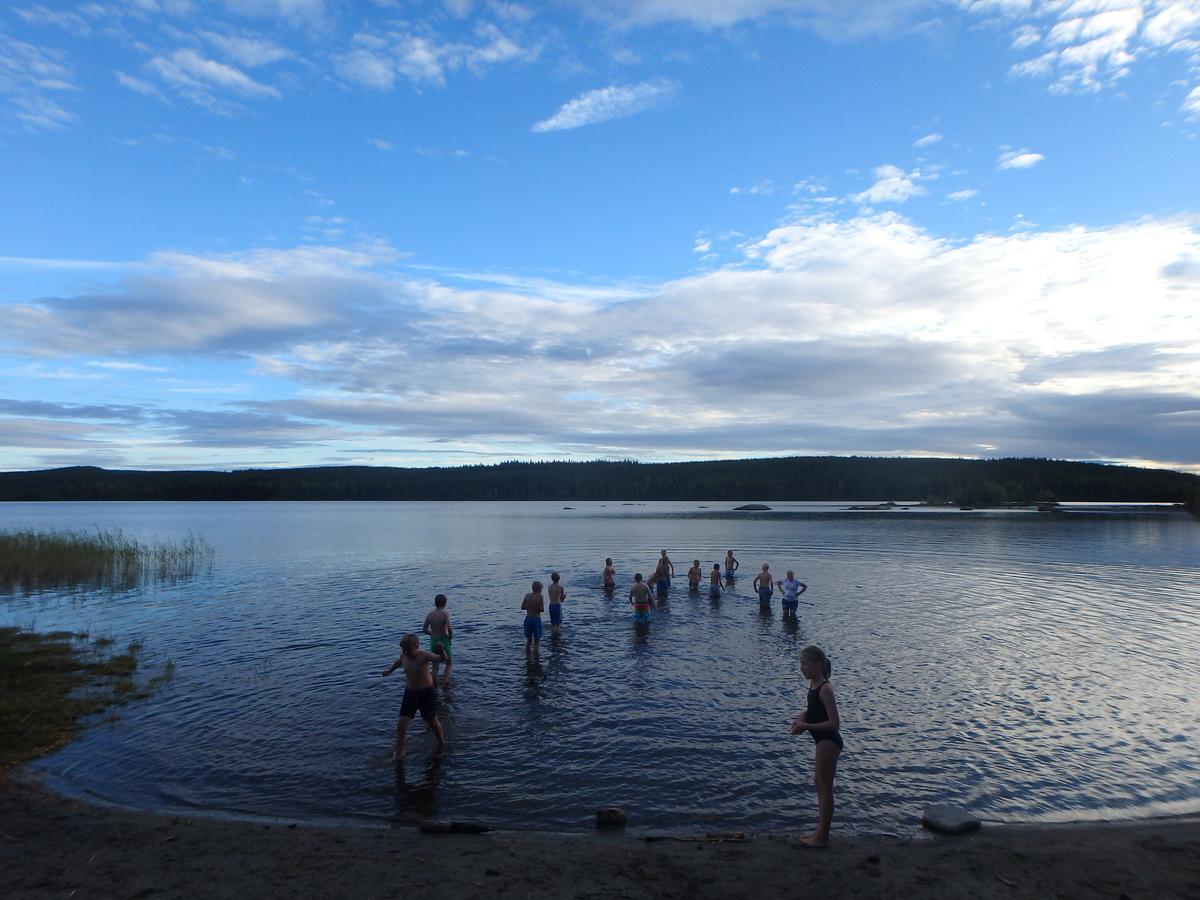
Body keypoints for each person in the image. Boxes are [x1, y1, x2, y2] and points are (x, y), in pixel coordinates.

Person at [789, 645, 843, 847]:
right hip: (821, 740)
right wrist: (801, 718)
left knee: (825, 788)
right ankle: (820, 831)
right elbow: (813, 709)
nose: (801, 668)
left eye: (804, 664)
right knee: (819, 784)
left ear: (818, 665)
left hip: (829, 741)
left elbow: (834, 723)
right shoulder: (813, 685)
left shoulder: (826, 689)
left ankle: (822, 837)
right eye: (800, 664)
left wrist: (806, 726)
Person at [382, 633, 446, 762]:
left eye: (408, 650)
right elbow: (398, 662)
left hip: (426, 693)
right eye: (403, 649)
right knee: (401, 726)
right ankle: (399, 755)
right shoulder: (404, 655)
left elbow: (441, 659)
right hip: (410, 693)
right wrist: (390, 670)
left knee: (432, 721)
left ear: (417, 646)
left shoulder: (424, 655)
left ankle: (441, 743)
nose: (406, 652)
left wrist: (441, 651)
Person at [422, 593, 453, 686]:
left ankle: (434, 684)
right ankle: (444, 683)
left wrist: (432, 634)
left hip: (434, 640)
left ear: (435, 603)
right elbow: (450, 628)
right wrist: (450, 637)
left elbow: (424, 629)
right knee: (449, 662)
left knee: (435, 665)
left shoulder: (430, 615)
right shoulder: (445, 613)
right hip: (444, 639)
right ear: (445, 603)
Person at [521, 581, 545, 652]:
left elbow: (522, 607)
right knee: (537, 641)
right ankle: (536, 657)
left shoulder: (527, 595)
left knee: (529, 640)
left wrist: (530, 606)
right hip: (536, 619)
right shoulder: (540, 597)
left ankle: (527, 655)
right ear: (540, 589)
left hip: (528, 619)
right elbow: (542, 609)